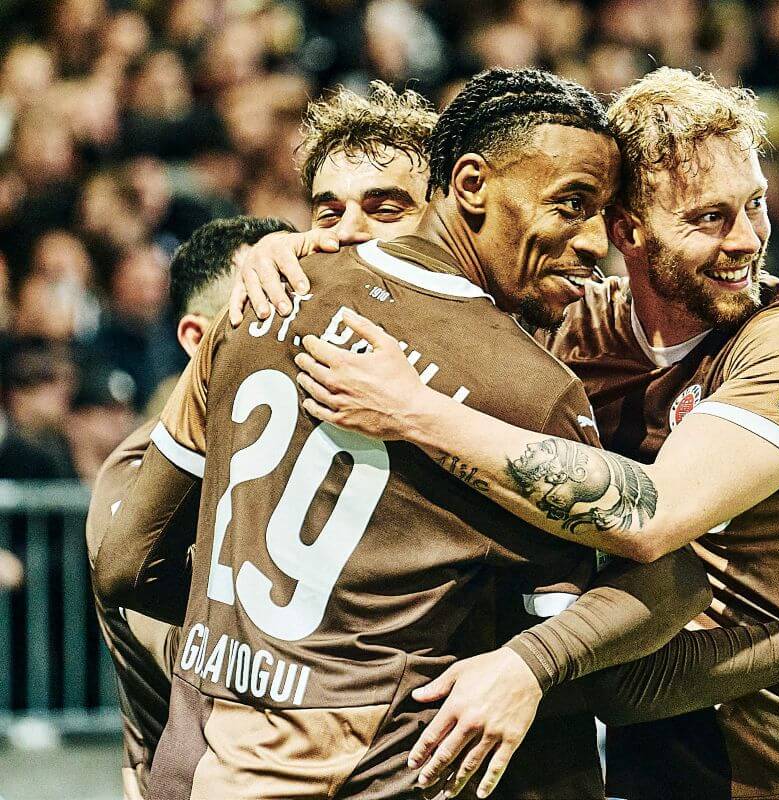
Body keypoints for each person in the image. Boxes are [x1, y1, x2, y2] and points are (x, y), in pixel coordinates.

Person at [270, 68, 779, 799]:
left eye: (755, 204)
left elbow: (653, 518)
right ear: (627, 230)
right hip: (665, 766)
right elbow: (431, 271)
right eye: (709, 218)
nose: (747, 239)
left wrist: (417, 411)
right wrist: (284, 253)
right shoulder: (573, 326)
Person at [94, 68, 715, 800]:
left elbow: (123, 565)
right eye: (572, 204)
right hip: (370, 769)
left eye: (384, 206)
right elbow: (627, 605)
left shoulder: (255, 306)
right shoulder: (529, 389)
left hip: (191, 763)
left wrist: (261, 643)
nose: (591, 241)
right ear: (468, 187)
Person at [86, 215, 296, 800]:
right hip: (193, 775)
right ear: (198, 339)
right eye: (265, 307)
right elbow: (202, 655)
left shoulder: (308, 453)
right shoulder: (134, 477)